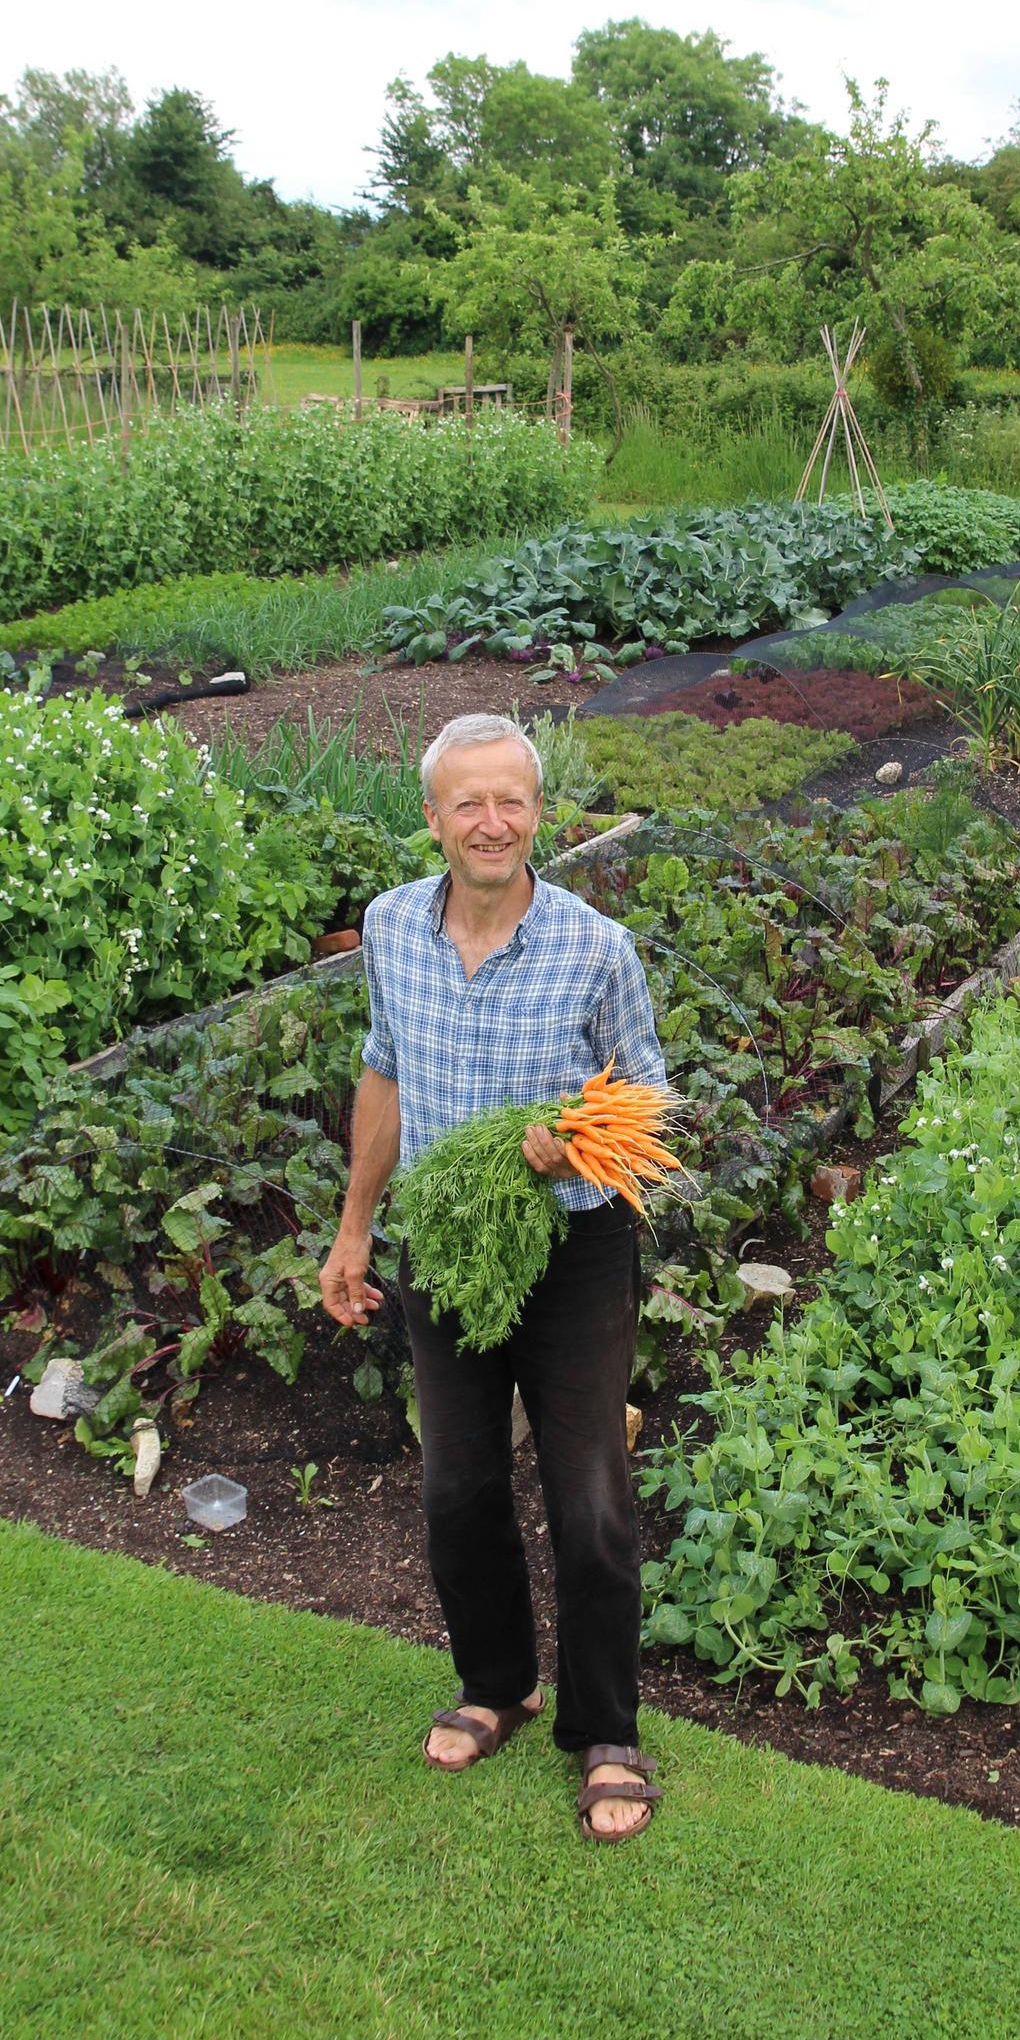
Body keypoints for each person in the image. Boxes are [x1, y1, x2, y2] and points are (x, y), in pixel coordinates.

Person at [319, 713, 667, 1844]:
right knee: (457, 1489)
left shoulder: (594, 948)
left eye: (511, 800)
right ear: (432, 818)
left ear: (539, 814)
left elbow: (650, 1104)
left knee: (592, 1500)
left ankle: (606, 1730)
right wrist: (355, 1232)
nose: (492, 822)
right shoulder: (389, 929)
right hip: (448, 1245)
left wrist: (577, 1142)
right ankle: (499, 1683)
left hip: (571, 1250)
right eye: (468, 802)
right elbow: (383, 1077)